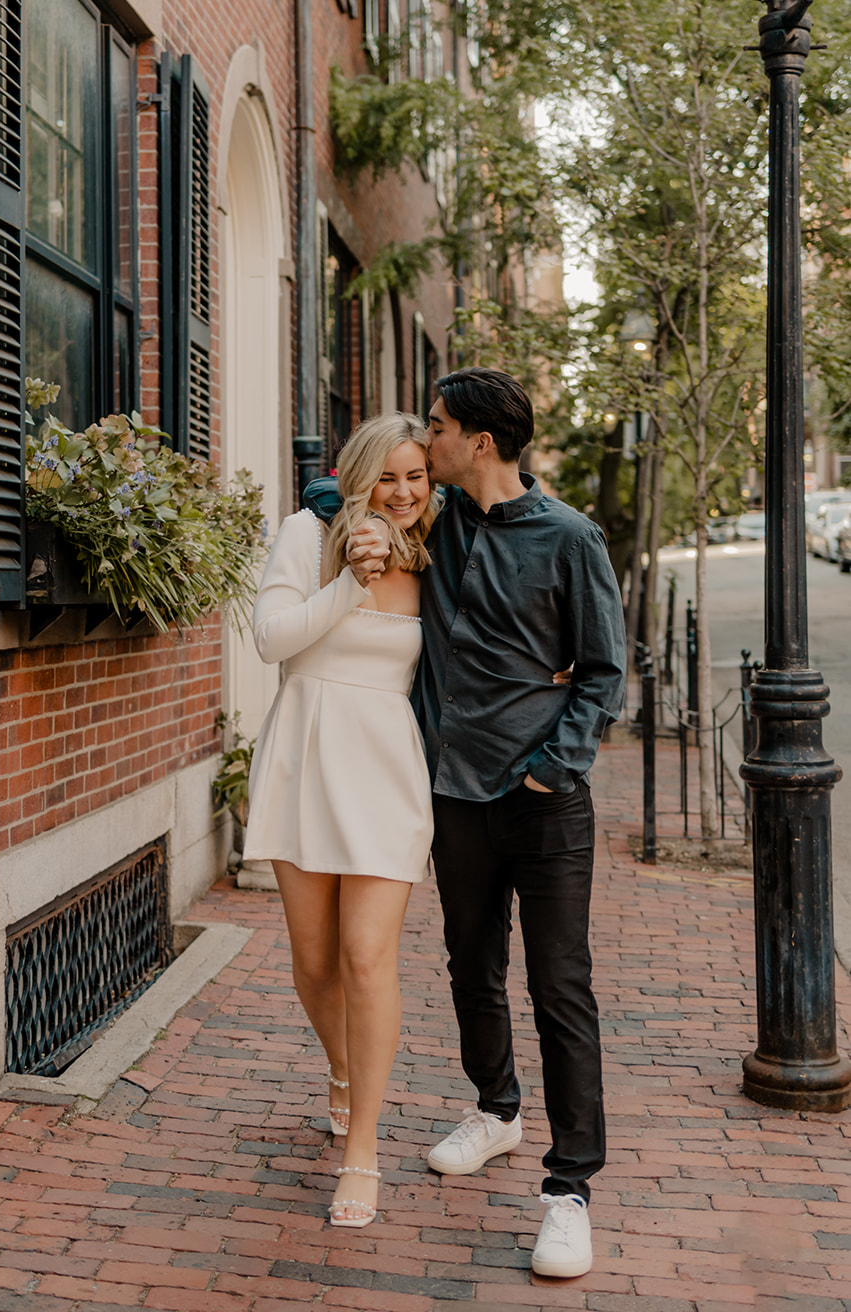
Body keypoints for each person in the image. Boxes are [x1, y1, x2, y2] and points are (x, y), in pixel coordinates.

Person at [311, 367, 626, 1279]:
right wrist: (357, 513)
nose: (427, 440)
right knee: (468, 964)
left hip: (542, 802)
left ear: (477, 443)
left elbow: (602, 674)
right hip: (450, 796)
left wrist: (548, 769)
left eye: (439, 430)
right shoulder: (436, 527)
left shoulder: (570, 538)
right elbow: (333, 484)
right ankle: (494, 1109)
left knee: (559, 986)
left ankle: (569, 1190)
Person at [242, 412, 440, 1229]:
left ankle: (363, 1149)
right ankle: (341, 1068)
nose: (401, 493)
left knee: (367, 957)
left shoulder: (442, 553)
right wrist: (348, 582)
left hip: (386, 765)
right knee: (315, 961)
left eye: (416, 477)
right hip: (303, 754)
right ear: (359, 478)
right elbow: (269, 640)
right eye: (386, 477)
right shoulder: (307, 531)